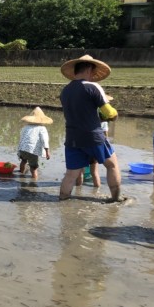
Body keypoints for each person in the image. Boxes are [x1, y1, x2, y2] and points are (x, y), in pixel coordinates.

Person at [58, 55, 122, 202]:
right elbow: (109, 113)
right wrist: (115, 115)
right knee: (112, 165)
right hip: (93, 136)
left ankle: (63, 199)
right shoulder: (93, 87)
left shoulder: (65, 91)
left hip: (72, 138)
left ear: (75, 71)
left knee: (71, 174)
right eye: (93, 72)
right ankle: (116, 198)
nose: (93, 76)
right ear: (88, 69)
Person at [17, 107, 52, 179]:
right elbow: (44, 140)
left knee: (23, 161)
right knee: (34, 167)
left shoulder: (25, 127)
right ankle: (34, 183)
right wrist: (47, 152)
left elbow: (21, 137)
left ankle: (21, 176)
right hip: (32, 151)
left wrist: (20, 148)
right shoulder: (42, 128)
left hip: (23, 149)